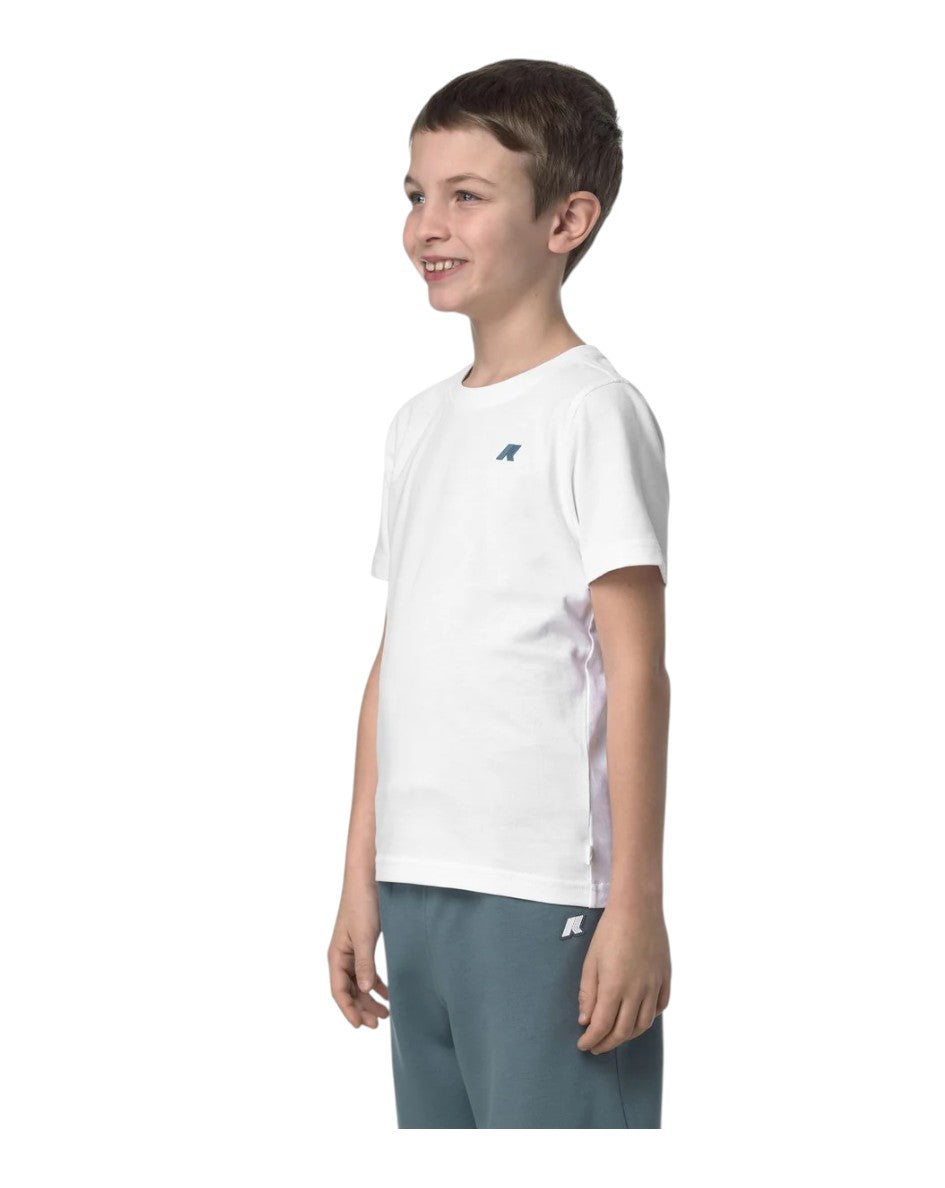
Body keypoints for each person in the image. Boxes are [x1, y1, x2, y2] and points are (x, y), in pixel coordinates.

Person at [327, 58, 672, 1129]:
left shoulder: (591, 411)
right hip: (418, 883)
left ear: (565, 220)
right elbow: (400, 658)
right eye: (416, 194)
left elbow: (637, 673)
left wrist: (634, 905)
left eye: (466, 195)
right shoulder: (418, 425)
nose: (427, 225)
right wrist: (359, 876)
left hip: (545, 893)